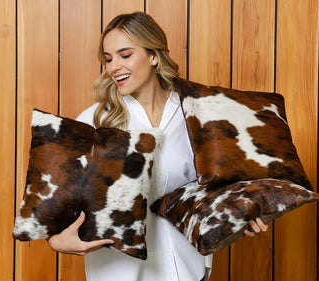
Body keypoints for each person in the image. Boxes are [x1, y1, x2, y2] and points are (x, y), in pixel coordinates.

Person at [47, 12, 268, 281]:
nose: (114, 66)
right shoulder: (93, 121)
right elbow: (54, 208)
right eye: (108, 59)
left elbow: (217, 192)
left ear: (154, 56)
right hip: (118, 273)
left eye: (125, 55)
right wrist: (58, 241)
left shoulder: (198, 115)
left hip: (185, 269)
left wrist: (242, 215)